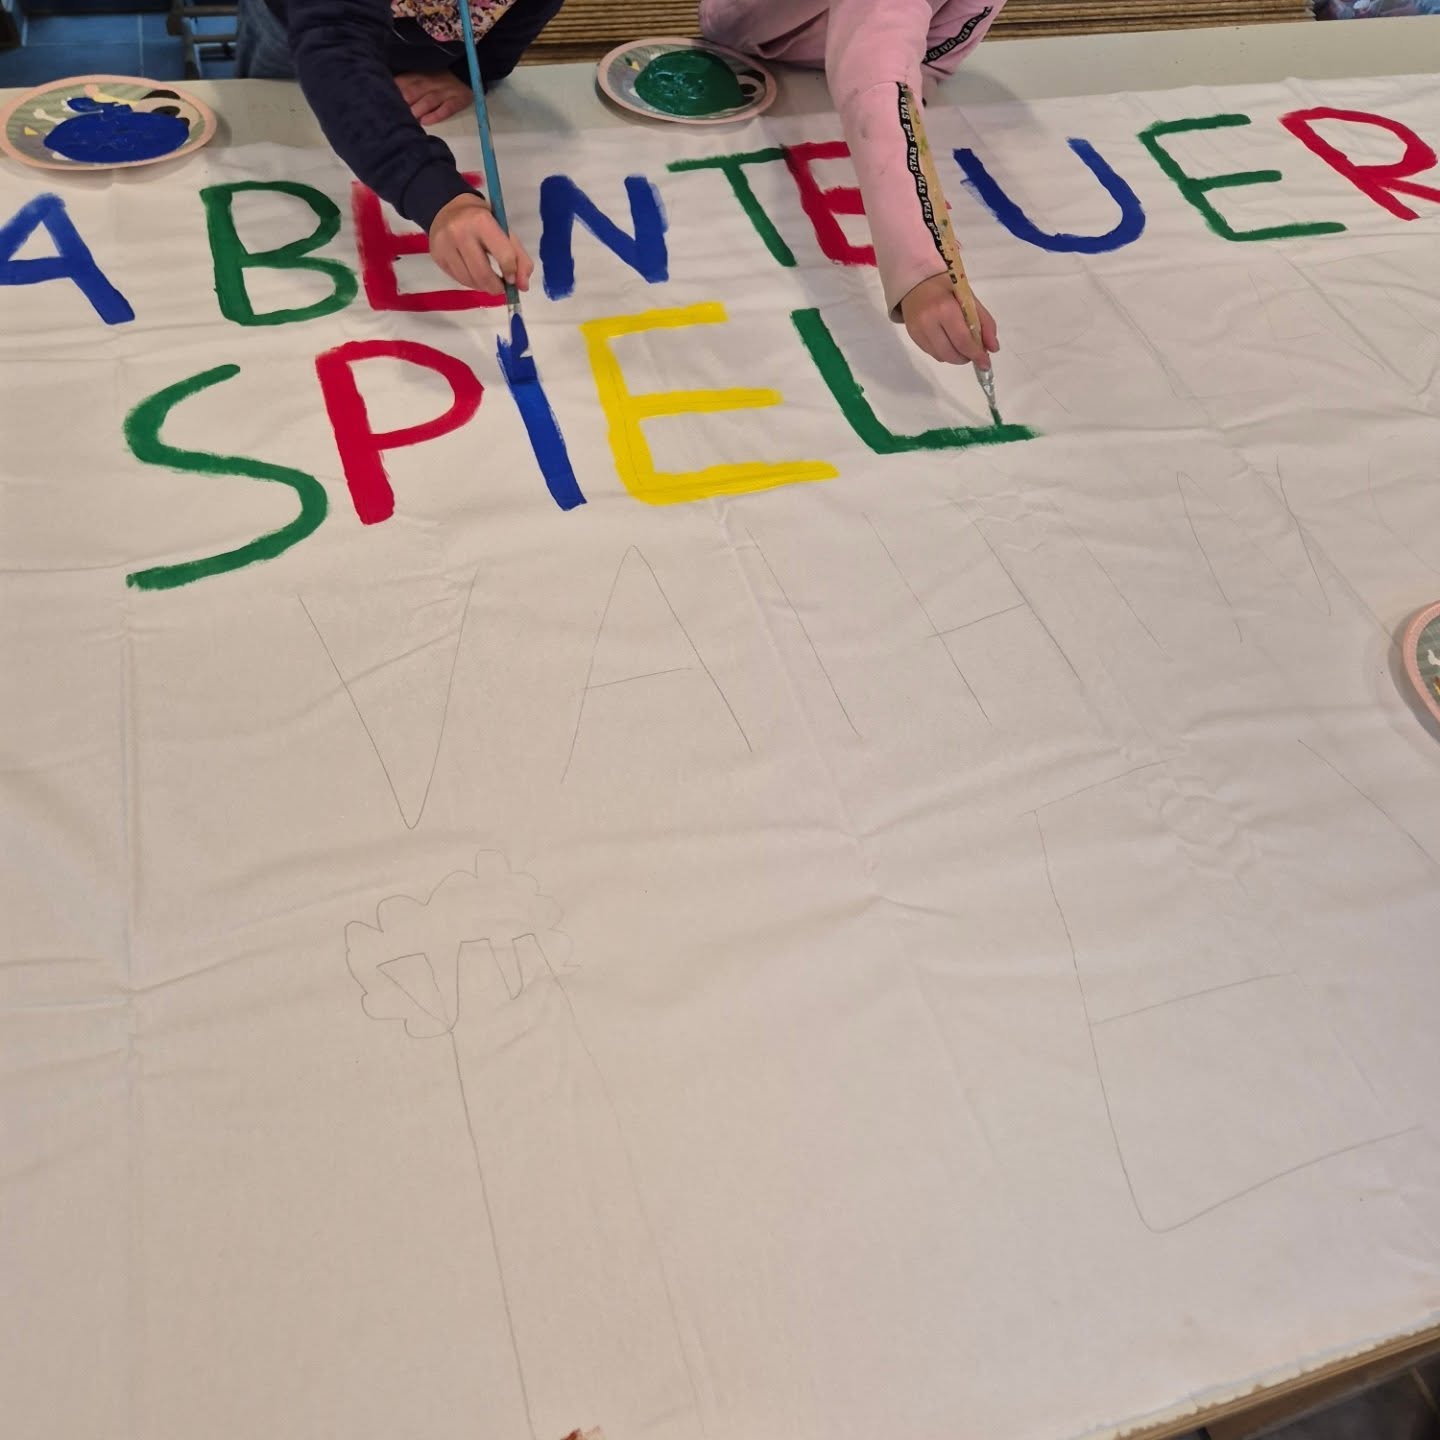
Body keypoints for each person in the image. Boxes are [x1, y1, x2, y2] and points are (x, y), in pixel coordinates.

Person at [700, 0, 1006, 370]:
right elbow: (880, 40)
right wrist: (921, 266)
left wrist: (912, 77)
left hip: (865, 51)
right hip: (754, 29)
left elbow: (937, 46)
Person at [235, 0, 564, 295]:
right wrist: (433, 193)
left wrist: (472, 71)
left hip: (444, 44)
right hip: (304, 31)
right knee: (273, 117)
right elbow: (333, 42)